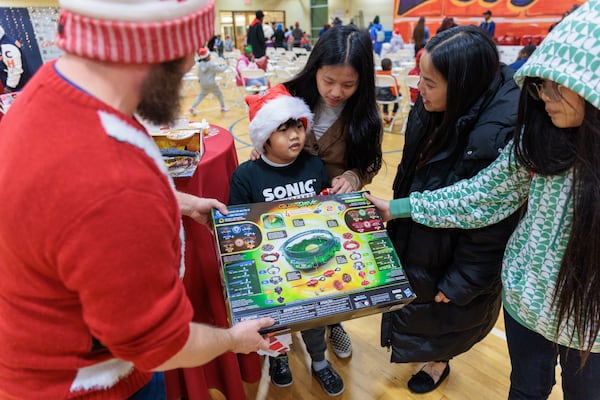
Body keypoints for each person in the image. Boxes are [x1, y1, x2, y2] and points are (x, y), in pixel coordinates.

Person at [0, 0, 274, 398]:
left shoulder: (53, 84)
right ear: (156, 50)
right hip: (90, 385)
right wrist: (233, 339)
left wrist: (180, 202)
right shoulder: (113, 185)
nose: (189, 69)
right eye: (187, 55)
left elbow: (77, 218)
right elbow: (160, 345)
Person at [367, 2, 600, 398]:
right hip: (527, 305)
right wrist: (400, 208)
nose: (546, 98)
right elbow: (483, 196)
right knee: (526, 388)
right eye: (541, 85)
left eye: (558, 87)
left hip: (590, 319)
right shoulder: (536, 136)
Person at [375, 25, 524, 394]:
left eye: (429, 83)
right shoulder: (433, 106)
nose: (418, 89)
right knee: (420, 302)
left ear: (462, 86)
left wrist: (463, 281)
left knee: (446, 315)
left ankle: (439, 360)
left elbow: (494, 224)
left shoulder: (498, 134)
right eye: (420, 78)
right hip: (422, 228)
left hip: (458, 251)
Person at [249, 23, 384, 396]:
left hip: (331, 210)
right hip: (283, 204)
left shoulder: (364, 114)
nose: (336, 92)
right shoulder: (286, 98)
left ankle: (332, 322)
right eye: (328, 81)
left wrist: (355, 178)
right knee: (285, 275)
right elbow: (261, 136)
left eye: (348, 85)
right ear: (315, 71)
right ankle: (283, 340)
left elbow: (369, 162)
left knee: (328, 271)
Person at [231, 84, 342, 396]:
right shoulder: (246, 176)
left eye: (297, 125)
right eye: (283, 129)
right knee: (274, 320)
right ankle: (279, 357)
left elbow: (323, 208)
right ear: (264, 136)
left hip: (315, 261)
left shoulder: (314, 165)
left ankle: (319, 362)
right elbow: (239, 229)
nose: (295, 134)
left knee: (315, 317)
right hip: (271, 268)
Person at [189, 48, 229, 115]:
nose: (210, 56)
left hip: (203, 83)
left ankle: (193, 107)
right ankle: (223, 107)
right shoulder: (211, 64)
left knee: (201, 95)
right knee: (219, 94)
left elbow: (199, 73)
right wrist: (227, 65)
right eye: (209, 55)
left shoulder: (200, 64)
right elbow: (221, 70)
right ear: (206, 57)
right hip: (211, 83)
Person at [0, 25, 31, 92]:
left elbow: (15, 69)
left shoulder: (6, 46)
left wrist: (9, 87)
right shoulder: (7, 41)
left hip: (20, 88)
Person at [376, 57, 401, 124]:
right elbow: (395, 93)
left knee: (385, 101)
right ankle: (392, 116)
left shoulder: (377, 76)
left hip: (378, 97)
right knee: (398, 98)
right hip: (389, 97)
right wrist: (398, 88)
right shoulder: (391, 77)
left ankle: (386, 117)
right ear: (390, 66)